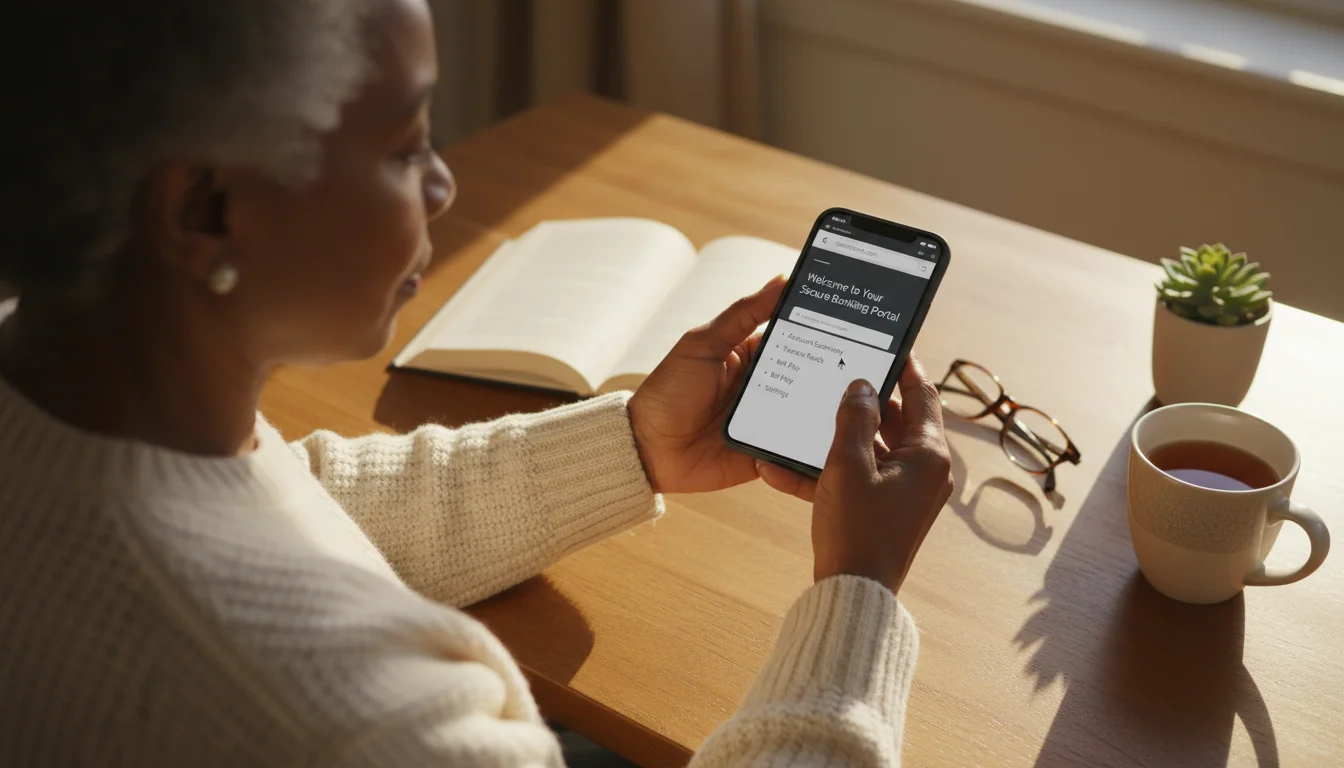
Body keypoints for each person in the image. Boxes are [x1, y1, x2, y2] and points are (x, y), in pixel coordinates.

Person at [0, 0, 954, 765]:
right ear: (206, 210)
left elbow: (291, 511)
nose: (445, 185)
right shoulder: (360, 724)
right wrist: (857, 594)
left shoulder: (71, 389)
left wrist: (628, 448)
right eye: (405, 144)